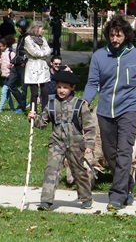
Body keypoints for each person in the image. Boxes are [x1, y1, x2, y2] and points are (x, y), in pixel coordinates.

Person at [84, 15, 136, 211]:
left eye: (119, 35)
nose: (115, 39)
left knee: (124, 153)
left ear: (126, 36)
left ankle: (117, 195)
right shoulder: (99, 56)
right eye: (112, 35)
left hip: (128, 112)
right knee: (109, 154)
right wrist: (86, 100)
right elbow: (92, 83)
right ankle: (127, 184)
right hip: (105, 112)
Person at [28, 70, 96, 211]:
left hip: (76, 143)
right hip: (57, 142)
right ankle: (46, 201)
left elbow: (89, 127)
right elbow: (43, 123)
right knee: (51, 169)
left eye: (65, 87)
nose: (61, 90)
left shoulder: (80, 105)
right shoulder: (51, 104)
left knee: (78, 171)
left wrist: (89, 144)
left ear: (72, 88)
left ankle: (86, 198)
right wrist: (34, 118)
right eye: (59, 87)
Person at [24, 21, 52, 113]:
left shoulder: (43, 39)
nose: (43, 31)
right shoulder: (28, 39)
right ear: (36, 28)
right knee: (34, 93)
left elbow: (48, 50)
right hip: (33, 67)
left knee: (45, 92)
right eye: (42, 28)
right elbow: (33, 52)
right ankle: (33, 111)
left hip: (43, 67)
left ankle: (45, 112)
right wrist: (43, 53)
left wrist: (43, 54)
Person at [8, 18, 29, 113]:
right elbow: (18, 51)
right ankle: (23, 102)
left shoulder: (29, 38)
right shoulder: (21, 36)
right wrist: (13, 61)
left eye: (19, 27)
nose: (18, 29)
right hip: (16, 63)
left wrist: (25, 61)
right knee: (10, 84)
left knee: (24, 87)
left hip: (23, 65)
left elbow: (29, 52)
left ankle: (21, 106)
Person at [0, 35, 16, 112]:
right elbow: (0, 61)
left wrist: (12, 66)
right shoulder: (2, 54)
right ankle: (12, 108)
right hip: (4, 75)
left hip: (10, 75)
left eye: (0, 46)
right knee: (7, 94)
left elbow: (15, 63)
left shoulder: (11, 53)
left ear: (5, 46)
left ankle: (0, 108)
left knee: (4, 91)